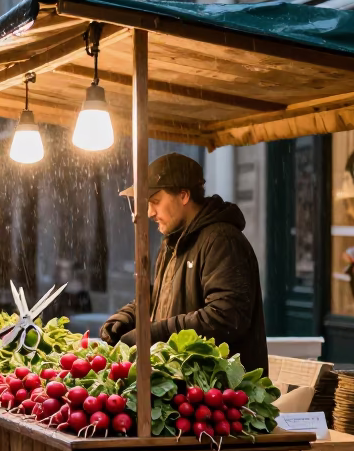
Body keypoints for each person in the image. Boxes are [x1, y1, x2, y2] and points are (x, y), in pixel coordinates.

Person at [101, 153, 268, 375]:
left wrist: (153, 333)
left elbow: (226, 317)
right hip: (181, 390)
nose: (150, 212)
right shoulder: (171, 243)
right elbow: (163, 295)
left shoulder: (222, 241)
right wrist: (130, 316)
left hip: (222, 395)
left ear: (183, 195)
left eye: (155, 201)